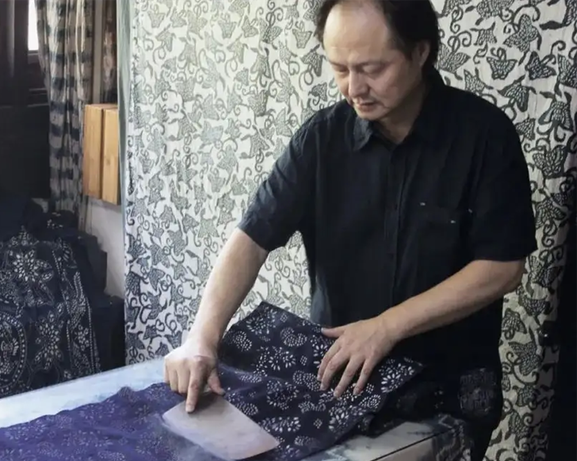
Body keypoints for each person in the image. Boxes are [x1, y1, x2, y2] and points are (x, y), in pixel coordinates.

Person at [163, 0, 537, 458]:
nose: (354, 88)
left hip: (447, 386)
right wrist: (202, 336)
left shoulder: (484, 136)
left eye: (371, 69)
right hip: (343, 380)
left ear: (421, 53)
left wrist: (386, 327)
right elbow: (251, 238)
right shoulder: (321, 140)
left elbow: (501, 267)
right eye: (339, 68)